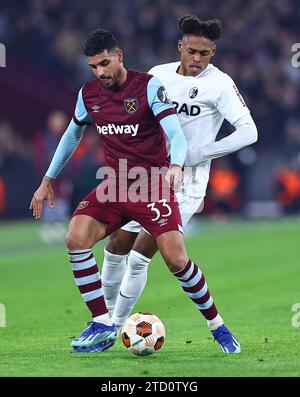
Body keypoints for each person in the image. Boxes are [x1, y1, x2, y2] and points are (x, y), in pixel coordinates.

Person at [30, 27, 239, 355]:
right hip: (115, 184)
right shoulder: (88, 95)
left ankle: (218, 326)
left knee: (177, 261)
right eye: (93, 67)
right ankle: (102, 324)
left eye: (104, 64)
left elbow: (175, 134)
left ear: (119, 57)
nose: (100, 72)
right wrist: (47, 180)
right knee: (75, 237)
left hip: (152, 185)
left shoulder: (148, 87)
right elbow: (71, 136)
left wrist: (176, 164)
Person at [101, 15, 258, 353]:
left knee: (148, 254)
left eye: (205, 53)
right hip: (145, 174)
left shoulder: (220, 84)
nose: (197, 59)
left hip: (186, 184)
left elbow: (249, 131)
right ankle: (101, 323)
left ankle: (212, 327)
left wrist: (197, 152)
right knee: (117, 244)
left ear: (213, 51)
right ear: (180, 47)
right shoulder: (158, 75)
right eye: (192, 51)